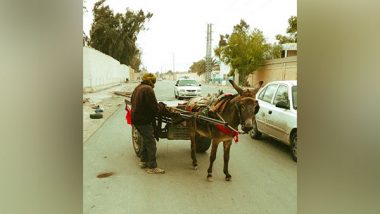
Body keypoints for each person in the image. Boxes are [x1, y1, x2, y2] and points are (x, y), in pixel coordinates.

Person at [131, 73, 165, 174]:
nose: (154, 84)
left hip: (136, 119)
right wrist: (161, 106)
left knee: (146, 140)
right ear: (152, 81)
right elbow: (154, 108)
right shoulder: (148, 89)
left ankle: (143, 161)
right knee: (151, 142)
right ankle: (152, 167)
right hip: (143, 120)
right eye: (154, 82)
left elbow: (132, 101)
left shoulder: (138, 87)